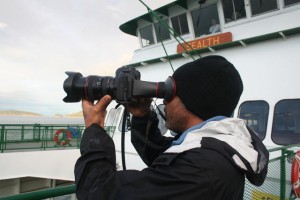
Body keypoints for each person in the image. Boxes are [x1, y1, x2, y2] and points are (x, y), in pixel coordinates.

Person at [75, 55, 269, 200]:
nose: (164, 101)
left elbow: (98, 192)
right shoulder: (217, 149)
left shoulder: (202, 171)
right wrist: (142, 116)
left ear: (193, 101)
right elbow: (165, 158)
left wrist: (94, 129)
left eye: (169, 91)